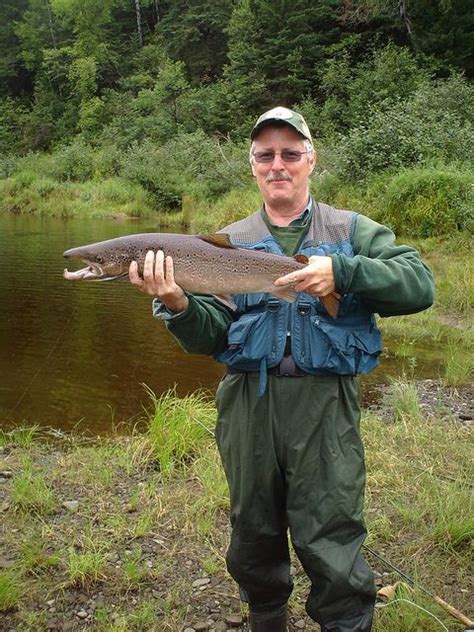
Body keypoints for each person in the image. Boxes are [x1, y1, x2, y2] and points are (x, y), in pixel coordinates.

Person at [129, 106, 435, 632]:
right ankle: (265, 616)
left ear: (310, 160)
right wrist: (178, 305)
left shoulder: (352, 229)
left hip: (325, 405)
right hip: (248, 405)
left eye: (290, 154)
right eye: (265, 155)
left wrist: (342, 270)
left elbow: (419, 285)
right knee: (252, 530)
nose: (278, 165)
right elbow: (214, 336)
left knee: (332, 530)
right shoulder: (221, 243)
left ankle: (344, 620)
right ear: (252, 166)